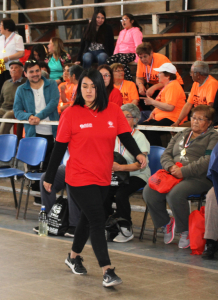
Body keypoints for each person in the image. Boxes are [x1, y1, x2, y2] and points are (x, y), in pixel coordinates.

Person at [43, 68, 147, 287]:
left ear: (101, 88)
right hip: (78, 176)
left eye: (93, 86)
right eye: (85, 86)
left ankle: (73, 256)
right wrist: (50, 176)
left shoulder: (113, 110)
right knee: (98, 218)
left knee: (87, 218)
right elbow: (59, 148)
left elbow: (125, 135)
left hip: (103, 175)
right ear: (79, 88)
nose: (89, 91)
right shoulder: (71, 113)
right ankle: (107, 270)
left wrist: (137, 153)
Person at [143, 105, 218, 249]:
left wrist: (184, 172)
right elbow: (166, 154)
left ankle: (185, 231)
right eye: (193, 118)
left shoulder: (213, 137)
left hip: (198, 178)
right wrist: (170, 167)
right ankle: (166, 224)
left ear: (209, 123)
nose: (195, 121)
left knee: (175, 194)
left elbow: (208, 161)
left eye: (200, 119)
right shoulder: (182, 133)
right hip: (173, 174)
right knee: (149, 191)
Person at [14, 60, 60, 205]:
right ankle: (37, 197)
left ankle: (47, 196)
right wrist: (29, 117)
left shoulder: (51, 84)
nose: (35, 74)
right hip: (33, 133)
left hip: (52, 132)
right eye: (31, 71)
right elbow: (17, 111)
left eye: (37, 70)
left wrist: (39, 116)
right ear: (25, 74)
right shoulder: (21, 89)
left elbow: (54, 103)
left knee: (49, 166)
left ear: (41, 71)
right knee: (33, 167)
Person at [103, 103, 150, 242]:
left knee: (121, 194)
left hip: (137, 175)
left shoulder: (140, 137)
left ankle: (126, 228)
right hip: (117, 175)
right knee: (103, 192)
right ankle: (110, 226)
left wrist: (120, 168)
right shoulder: (114, 135)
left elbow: (140, 165)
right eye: (120, 116)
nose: (122, 119)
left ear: (135, 120)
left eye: (127, 116)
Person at [36, 151, 81, 237]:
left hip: (81, 168)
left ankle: (74, 225)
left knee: (71, 181)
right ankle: (48, 221)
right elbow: (57, 153)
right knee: (45, 178)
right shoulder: (63, 137)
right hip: (66, 166)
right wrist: (50, 175)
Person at [140, 63, 187, 146]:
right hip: (165, 117)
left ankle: (157, 153)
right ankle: (149, 151)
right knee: (141, 127)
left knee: (151, 130)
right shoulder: (168, 86)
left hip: (172, 118)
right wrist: (153, 113)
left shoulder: (173, 86)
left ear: (168, 76)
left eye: (160, 73)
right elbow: (163, 103)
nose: (157, 75)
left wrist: (152, 102)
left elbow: (170, 107)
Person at [0, 61, 27, 135]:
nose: (13, 69)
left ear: (22, 70)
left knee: (6, 116)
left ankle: (1, 140)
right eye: (11, 68)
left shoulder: (25, 82)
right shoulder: (6, 83)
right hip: (4, 108)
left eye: (16, 67)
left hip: (17, 110)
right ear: (9, 71)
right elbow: (1, 100)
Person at [173, 61, 218, 127]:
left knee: (184, 131)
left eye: (191, 72)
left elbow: (209, 107)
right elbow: (188, 104)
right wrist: (178, 121)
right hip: (197, 118)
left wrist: (197, 121)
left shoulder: (212, 84)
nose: (190, 74)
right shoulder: (195, 83)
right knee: (177, 129)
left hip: (205, 119)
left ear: (198, 74)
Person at [106, 14, 143, 81]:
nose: (123, 21)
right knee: (109, 60)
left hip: (131, 53)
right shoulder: (121, 32)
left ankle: (129, 80)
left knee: (122, 61)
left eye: (125, 19)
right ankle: (112, 80)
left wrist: (138, 58)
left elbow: (138, 45)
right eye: (122, 20)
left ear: (132, 21)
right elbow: (117, 45)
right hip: (121, 54)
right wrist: (115, 55)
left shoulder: (136, 31)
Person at [0, 18, 25, 90]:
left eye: (1, 25)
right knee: (0, 88)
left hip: (11, 67)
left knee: (10, 87)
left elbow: (21, 53)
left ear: (7, 27)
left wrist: (8, 58)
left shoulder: (18, 38)